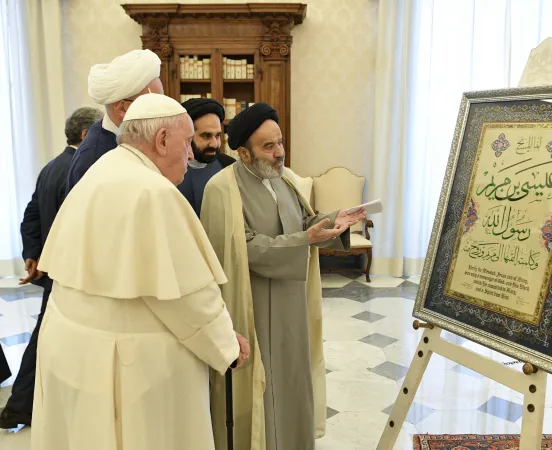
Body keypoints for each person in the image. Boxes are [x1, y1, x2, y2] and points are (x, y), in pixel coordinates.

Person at [30, 93, 250, 450]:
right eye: (186, 141)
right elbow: (187, 298)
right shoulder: (154, 192)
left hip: (72, 352)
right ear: (162, 140)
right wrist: (226, 344)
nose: (192, 154)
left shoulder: (102, 168)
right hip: (127, 368)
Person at [200, 102, 366, 450]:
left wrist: (337, 219)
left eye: (280, 142)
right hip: (253, 309)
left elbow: (304, 224)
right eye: (268, 146)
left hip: (291, 305)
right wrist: (303, 240)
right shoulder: (221, 189)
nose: (279, 153)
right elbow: (242, 249)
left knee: (291, 382)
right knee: (260, 390)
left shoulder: (285, 179)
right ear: (243, 153)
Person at [0, 107, 103, 430]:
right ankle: (24, 407)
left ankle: (23, 406)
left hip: (55, 269)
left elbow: (31, 215)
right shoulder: (82, 169)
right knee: (50, 340)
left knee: (47, 338)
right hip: (73, 273)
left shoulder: (50, 167)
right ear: (87, 135)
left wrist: (34, 254)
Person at [65, 49, 163, 193]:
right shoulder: (93, 158)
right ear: (121, 108)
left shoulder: (130, 138)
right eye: (152, 102)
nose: (161, 109)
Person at [177, 98, 236, 216]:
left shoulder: (230, 167)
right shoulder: (167, 171)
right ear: (187, 135)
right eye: (206, 136)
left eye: (218, 135)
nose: (214, 144)